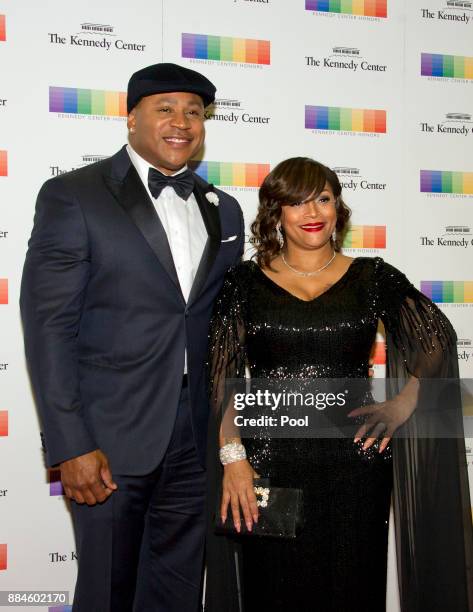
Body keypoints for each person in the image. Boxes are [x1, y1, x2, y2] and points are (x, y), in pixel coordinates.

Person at [20, 63, 244, 612]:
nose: (182, 123)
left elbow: (220, 327)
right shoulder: (74, 195)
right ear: (131, 119)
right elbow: (48, 327)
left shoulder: (224, 209)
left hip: (195, 439)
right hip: (109, 442)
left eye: (194, 112)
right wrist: (70, 444)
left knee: (178, 592)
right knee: (107, 592)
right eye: (165, 108)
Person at [206, 157, 473, 612]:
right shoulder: (243, 282)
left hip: (355, 466)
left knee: (351, 588)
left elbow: (436, 338)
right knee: (273, 590)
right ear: (276, 213)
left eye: (324, 199)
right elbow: (223, 378)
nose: (313, 212)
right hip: (270, 463)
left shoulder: (372, 277)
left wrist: (405, 401)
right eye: (297, 202)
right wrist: (234, 459)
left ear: (338, 208)